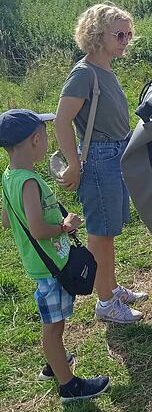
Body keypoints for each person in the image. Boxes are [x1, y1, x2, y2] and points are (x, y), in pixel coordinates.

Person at [0, 109, 111, 403]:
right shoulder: (29, 182)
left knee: (54, 321)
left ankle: (55, 363)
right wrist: (65, 226)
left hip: (42, 264)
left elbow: (7, 220)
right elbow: (37, 229)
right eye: (46, 135)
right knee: (54, 327)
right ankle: (68, 385)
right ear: (35, 140)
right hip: (49, 266)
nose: (48, 140)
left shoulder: (10, 176)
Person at [54, 3, 147, 324]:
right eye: (118, 34)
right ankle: (106, 303)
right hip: (99, 158)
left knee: (108, 232)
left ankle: (110, 288)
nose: (125, 39)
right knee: (101, 234)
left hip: (115, 155)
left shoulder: (105, 69)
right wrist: (74, 164)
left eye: (128, 34)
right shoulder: (84, 73)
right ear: (96, 35)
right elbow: (62, 121)